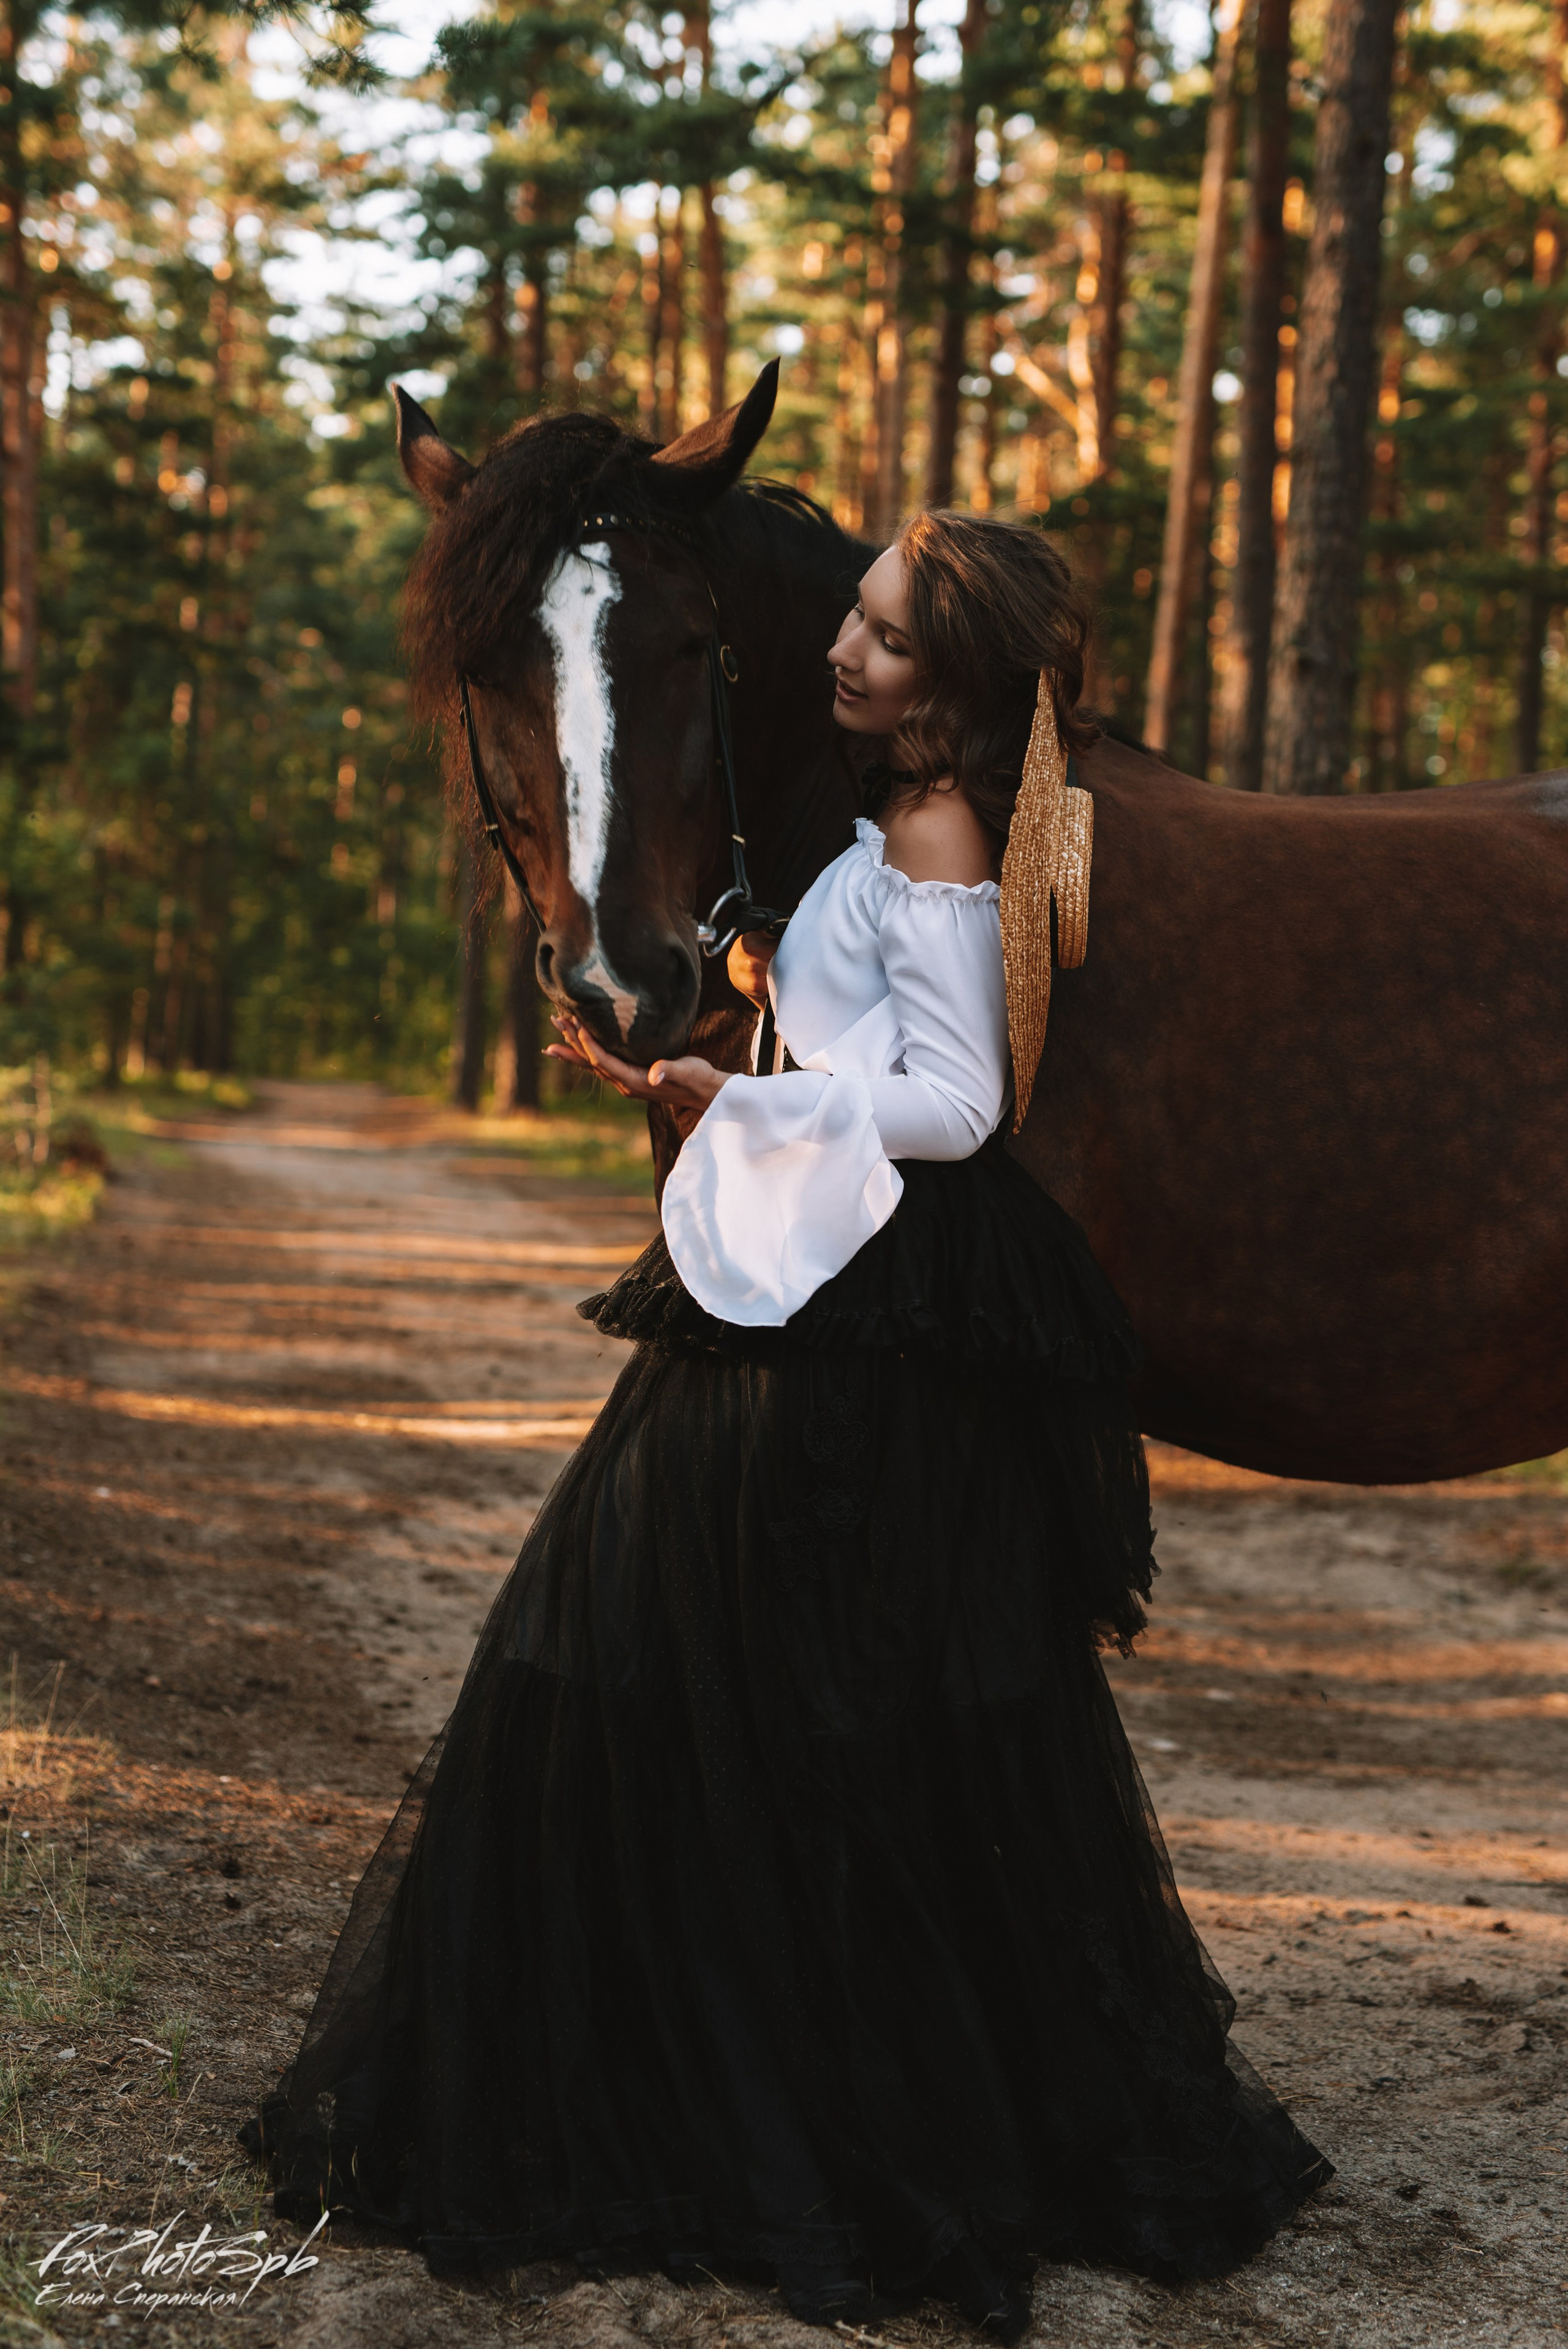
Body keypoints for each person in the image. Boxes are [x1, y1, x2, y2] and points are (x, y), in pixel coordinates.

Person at [244, 509, 1330, 2340]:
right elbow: (856, 1001)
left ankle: (783, 2097)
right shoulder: (881, 823)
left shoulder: (940, 829)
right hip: (829, 1272)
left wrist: (746, 1098)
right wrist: (738, 1024)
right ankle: (724, 2062)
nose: (845, 647)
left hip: (872, 1319)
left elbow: (961, 1100)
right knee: (708, 1664)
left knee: (727, 1668)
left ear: (954, 684)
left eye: (889, 638)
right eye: (856, 614)